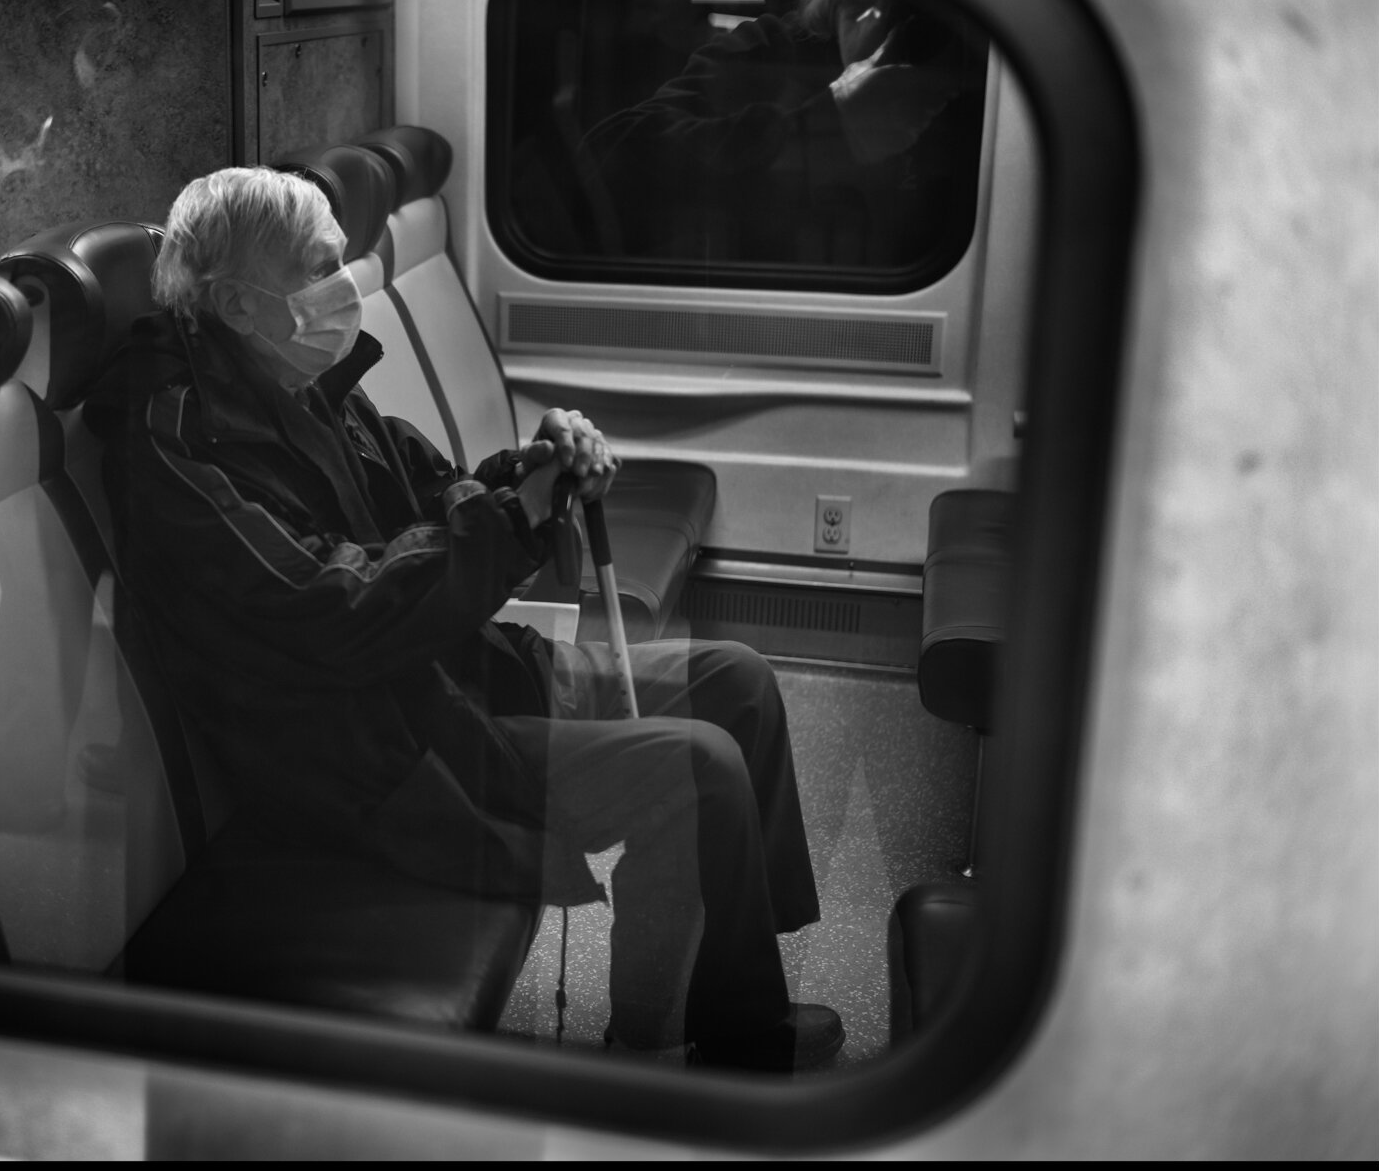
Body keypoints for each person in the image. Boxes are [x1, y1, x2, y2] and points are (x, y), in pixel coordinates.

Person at [83, 166, 841, 1071]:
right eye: (322, 266)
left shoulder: (296, 376)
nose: (346, 285)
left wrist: (534, 470)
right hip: (376, 754)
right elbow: (334, 607)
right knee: (697, 768)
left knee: (738, 684)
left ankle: (714, 992)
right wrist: (508, 516)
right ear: (243, 303)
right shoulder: (176, 440)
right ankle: (701, 1052)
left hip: (448, 672)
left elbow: (436, 493)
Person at [581, 0, 979, 267]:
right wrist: (829, 124)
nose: (877, 22)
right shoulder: (772, 53)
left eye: (911, 8)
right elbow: (610, 155)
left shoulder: (992, 88)